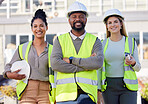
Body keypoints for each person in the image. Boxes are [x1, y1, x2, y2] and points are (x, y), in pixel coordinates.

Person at [50, 1, 104, 104]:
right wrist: (86, 66)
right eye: (74, 16)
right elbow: (55, 64)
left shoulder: (95, 40)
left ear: (86, 19)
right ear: (69, 20)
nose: (78, 19)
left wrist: (71, 60)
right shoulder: (59, 40)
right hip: (65, 96)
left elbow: (98, 63)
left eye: (81, 16)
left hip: (88, 95)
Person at [3, 9, 53, 104]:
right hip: (27, 92)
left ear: (46, 27)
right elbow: (8, 66)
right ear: (32, 29)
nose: (38, 29)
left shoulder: (53, 49)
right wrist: (9, 74)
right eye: (35, 26)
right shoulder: (23, 48)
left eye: (41, 26)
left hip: (46, 92)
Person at [100, 8, 141, 104]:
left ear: (121, 24)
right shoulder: (102, 44)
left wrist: (133, 63)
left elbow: (138, 68)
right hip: (108, 87)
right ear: (106, 26)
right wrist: (98, 90)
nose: (113, 25)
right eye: (109, 23)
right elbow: (99, 69)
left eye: (115, 22)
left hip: (128, 87)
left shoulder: (131, 42)